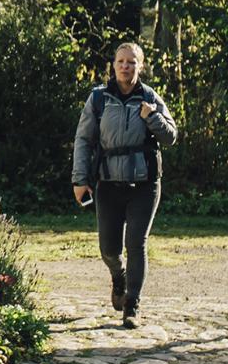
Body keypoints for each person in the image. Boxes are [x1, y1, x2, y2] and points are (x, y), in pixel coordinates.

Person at [70, 39, 179, 326]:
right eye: (121, 61)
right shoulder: (99, 98)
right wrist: (80, 180)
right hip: (107, 182)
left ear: (140, 66)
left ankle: (132, 305)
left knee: (137, 243)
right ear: (114, 65)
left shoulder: (150, 97)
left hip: (145, 184)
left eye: (131, 62)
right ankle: (118, 276)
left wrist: (152, 116)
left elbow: (171, 136)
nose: (125, 66)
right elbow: (83, 140)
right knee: (108, 249)